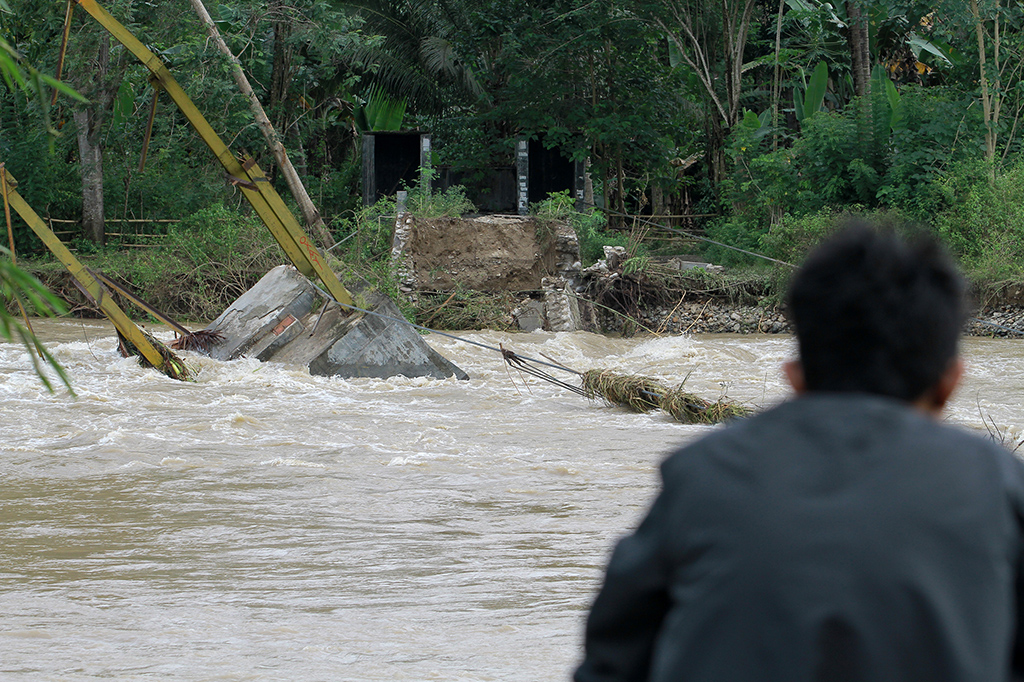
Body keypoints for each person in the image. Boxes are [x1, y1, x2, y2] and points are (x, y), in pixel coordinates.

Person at [574, 224, 1024, 682]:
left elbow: (611, 661)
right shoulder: (1000, 484)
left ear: (794, 376)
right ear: (950, 382)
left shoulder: (699, 474)